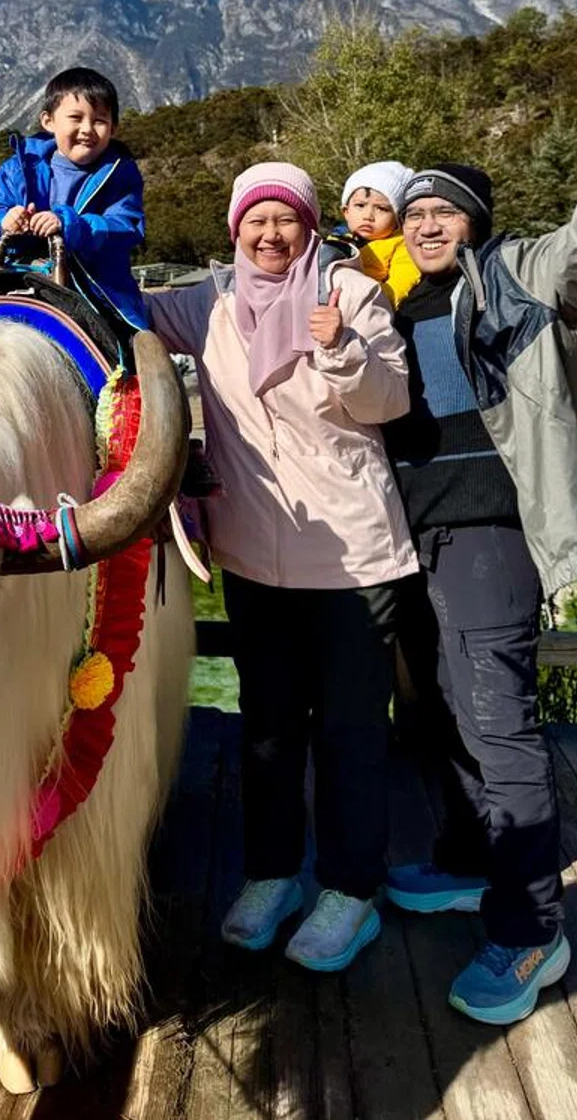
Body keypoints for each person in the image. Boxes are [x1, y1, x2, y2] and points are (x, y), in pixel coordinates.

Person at [383, 58, 577, 1026]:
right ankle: (471, 862)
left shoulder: (521, 276)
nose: (426, 224)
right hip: (419, 545)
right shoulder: (401, 304)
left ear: (476, 220)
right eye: (415, 213)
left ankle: (534, 929)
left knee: (499, 723)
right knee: (448, 715)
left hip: (492, 539)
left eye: (444, 211)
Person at [149, 163, 417, 971]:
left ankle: (350, 891)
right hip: (254, 554)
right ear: (235, 230)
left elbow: (389, 402)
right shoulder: (209, 300)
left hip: (353, 556)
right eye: (256, 221)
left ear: (309, 224)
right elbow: (121, 313)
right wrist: (47, 243)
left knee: (351, 730)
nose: (271, 235)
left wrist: (339, 348)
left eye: (286, 219)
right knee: (266, 729)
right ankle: (271, 876)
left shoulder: (349, 292)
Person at [0, 66, 147, 327]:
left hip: (99, 289)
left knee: (140, 343)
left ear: (113, 128)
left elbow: (127, 225)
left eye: (99, 120)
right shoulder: (20, 167)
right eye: (76, 117)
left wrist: (70, 225)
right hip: (18, 274)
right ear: (48, 121)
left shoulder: (120, 173)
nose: (87, 129)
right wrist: (4, 221)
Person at [341, 160, 419, 308]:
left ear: (398, 219)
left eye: (381, 208)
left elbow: (400, 284)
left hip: (367, 308)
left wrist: (374, 301)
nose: (368, 216)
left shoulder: (402, 245)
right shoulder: (337, 240)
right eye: (360, 205)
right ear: (346, 212)